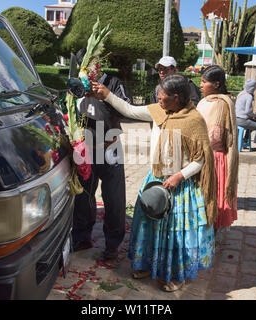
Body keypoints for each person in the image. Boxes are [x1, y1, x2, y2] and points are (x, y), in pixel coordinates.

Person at [91, 73, 217, 292]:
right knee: (148, 226)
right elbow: (129, 110)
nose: (158, 97)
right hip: (155, 180)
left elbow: (200, 159)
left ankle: (176, 275)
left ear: (176, 98)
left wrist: (179, 176)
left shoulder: (194, 121)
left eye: (163, 95)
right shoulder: (159, 111)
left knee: (175, 234)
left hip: (179, 186)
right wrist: (107, 95)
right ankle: (146, 265)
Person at [71, 70, 131, 261]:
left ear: (99, 65)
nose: (89, 72)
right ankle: (81, 238)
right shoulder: (78, 84)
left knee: (113, 197)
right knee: (83, 195)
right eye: (85, 68)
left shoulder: (112, 82)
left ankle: (112, 244)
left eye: (92, 67)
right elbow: (70, 111)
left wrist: (106, 95)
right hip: (86, 149)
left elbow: (126, 109)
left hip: (110, 147)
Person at [197, 65, 239, 231]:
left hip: (214, 158)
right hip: (202, 154)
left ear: (216, 84)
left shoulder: (222, 104)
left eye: (204, 82)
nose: (200, 85)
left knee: (212, 197)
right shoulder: (203, 102)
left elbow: (215, 136)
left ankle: (211, 234)